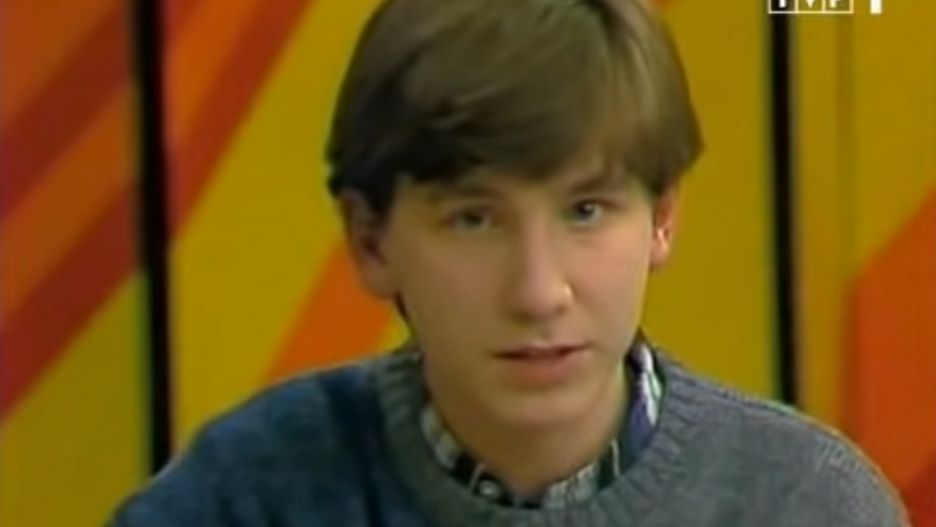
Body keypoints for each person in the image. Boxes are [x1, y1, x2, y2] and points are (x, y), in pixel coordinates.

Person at [110, 0, 909, 525]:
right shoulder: (244, 498)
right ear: (370, 239)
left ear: (663, 219)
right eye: (474, 219)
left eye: (585, 211)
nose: (539, 291)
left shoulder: (802, 502)